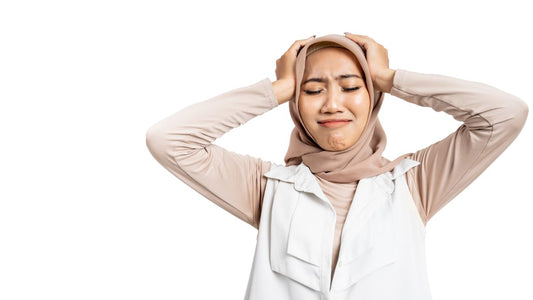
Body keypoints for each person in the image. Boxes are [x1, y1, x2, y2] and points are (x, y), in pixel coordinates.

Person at [145, 33, 528, 299]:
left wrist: (389, 78)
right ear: (296, 101)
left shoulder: (414, 183)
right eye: (311, 90)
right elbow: (169, 140)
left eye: (350, 86)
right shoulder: (266, 187)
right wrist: (277, 89)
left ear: (373, 97)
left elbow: (504, 115)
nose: (331, 104)